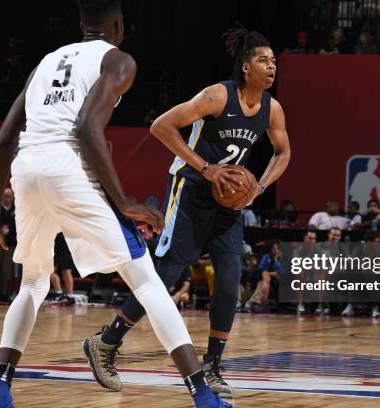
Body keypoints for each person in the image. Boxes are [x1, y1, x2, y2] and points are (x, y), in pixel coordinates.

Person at [0, 1, 228, 407]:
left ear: (81, 23)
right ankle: (203, 396)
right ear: (119, 24)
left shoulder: (46, 62)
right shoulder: (119, 60)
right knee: (145, 281)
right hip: (68, 167)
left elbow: (2, 142)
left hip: (27, 167)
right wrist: (124, 203)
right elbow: (87, 126)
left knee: (34, 282)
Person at [86, 27, 291, 398]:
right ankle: (107, 342)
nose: (272, 66)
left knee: (230, 278)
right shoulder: (217, 95)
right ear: (246, 67)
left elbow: (283, 153)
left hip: (228, 203)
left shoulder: (272, 109)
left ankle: (212, 366)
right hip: (192, 190)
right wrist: (205, 167)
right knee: (165, 277)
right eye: (264, 60)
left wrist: (258, 187)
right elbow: (161, 125)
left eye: (274, 60)